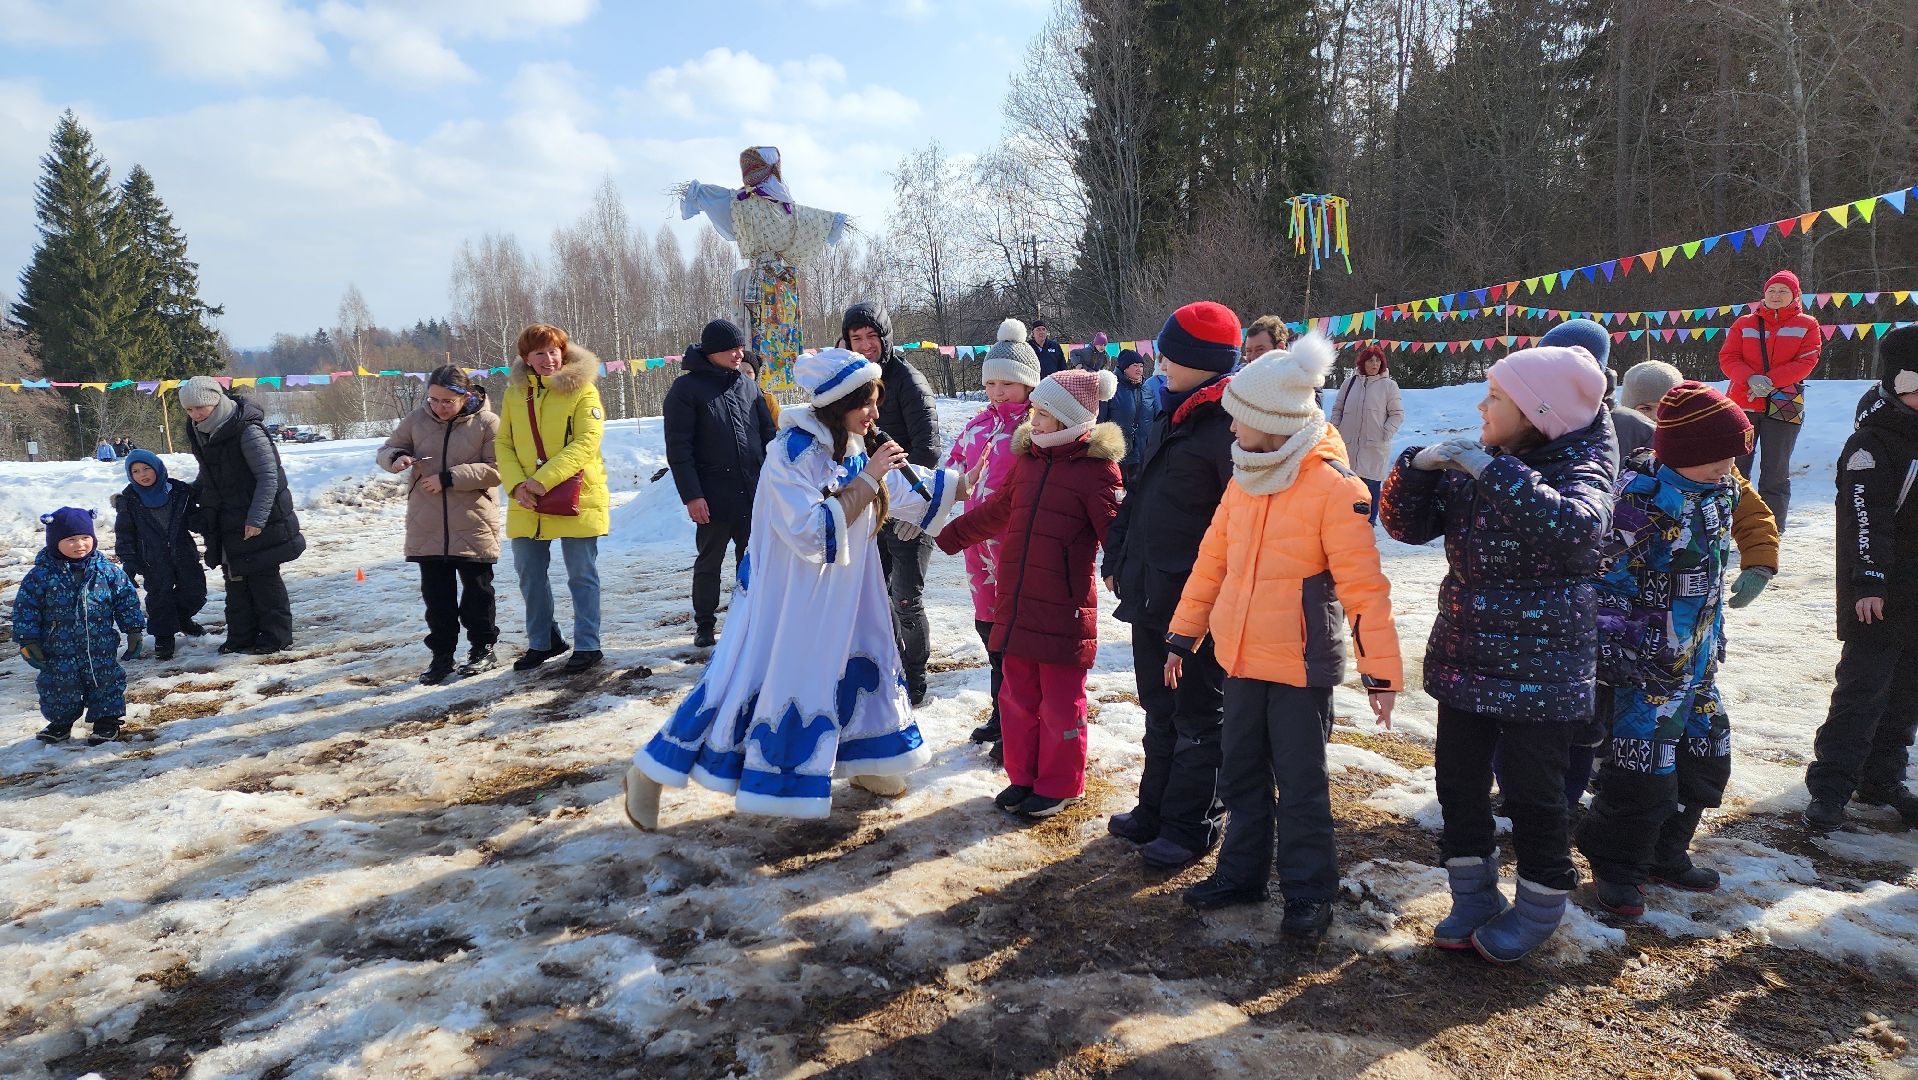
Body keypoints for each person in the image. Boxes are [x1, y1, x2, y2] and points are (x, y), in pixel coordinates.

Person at [624, 348, 972, 828]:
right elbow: (810, 531)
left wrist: (963, 484)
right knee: (745, 682)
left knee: (856, 667)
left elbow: (900, 494)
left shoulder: (848, 444)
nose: (874, 414)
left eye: (876, 402)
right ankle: (652, 771)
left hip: (848, 595)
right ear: (836, 405)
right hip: (790, 600)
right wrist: (871, 477)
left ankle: (866, 762)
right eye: (865, 404)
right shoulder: (792, 454)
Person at [1382, 344, 1614, 964]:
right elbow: (1405, 525)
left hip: (1543, 672)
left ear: (1537, 412)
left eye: (1495, 397)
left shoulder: (1582, 467)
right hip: (1467, 657)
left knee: (1535, 793)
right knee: (1457, 782)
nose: (1481, 406)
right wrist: (1420, 467)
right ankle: (1472, 895)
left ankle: (1539, 906)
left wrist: (1489, 471)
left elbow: (1576, 532)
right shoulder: (1490, 457)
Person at [1166, 335, 1403, 940]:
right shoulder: (1245, 477)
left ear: (1272, 421)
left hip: (1301, 668)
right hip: (1240, 659)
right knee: (1239, 772)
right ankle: (1241, 874)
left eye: (1240, 421)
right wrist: (1183, 634)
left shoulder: (1334, 487)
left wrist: (1380, 671)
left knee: (1301, 785)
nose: (1231, 432)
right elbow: (1211, 562)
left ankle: (1308, 891)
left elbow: (1364, 588)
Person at [1577, 382, 1751, 917]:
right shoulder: (1641, 499)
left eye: (1732, 456)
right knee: (1641, 772)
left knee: (1706, 754)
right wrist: (1614, 649)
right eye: (1717, 456)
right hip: (1646, 667)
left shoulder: (1719, 491)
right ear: (1684, 451)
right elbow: (1605, 579)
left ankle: (1665, 853)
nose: (1728, 465)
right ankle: (1617, 868)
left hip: (1696, 660)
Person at [939, 368, 1123, 818]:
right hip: (1017, 600)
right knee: (1017, 695)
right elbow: (999, 510)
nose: (1032, 421)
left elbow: (1118, 535)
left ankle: (1061, 783)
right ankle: (1024, 777)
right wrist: (951, 535)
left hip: (1063, 607)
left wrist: (1128, 579)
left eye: (1042, 413)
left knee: (1061, 702)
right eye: (1035, 411)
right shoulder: (1029, 460)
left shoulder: (1096, 471)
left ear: (1069, 419)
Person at [1102, 300, 1241, 869]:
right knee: (1158, 708)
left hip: (1196, 604)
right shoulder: (1171, 412)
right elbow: (1140, 494)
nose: (1157, 363)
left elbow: (1236, 527)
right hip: (1151, 593)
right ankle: (1154, 808)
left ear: (1200, 363)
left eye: (1169, 355)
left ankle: (1192, 826)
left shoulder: (1228, 428)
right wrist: (1118, 553)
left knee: (1198, 718)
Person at [1805, 325, 1918, 829]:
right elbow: (1863, 519)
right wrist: (1868, 581)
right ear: (1895, 383)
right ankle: (1830, 787)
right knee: (1863, 689)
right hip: (1877, 591)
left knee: (1905, 694)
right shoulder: (1872, 444)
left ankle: (1882, 779)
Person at [839, 301, 940, 705]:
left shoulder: (909, 381)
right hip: (867, 506)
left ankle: (915, 677)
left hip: (907, 508)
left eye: (871, 338)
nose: (865, 346)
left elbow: (928, 449)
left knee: (905, 599)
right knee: (873, 596)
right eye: (856, 338)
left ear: (885, 338)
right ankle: (887, 666)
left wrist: (914, 507)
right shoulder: (848, 382)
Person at [944, 319, 1039, 746]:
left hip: (1013, 542)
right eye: (992, 383)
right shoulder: (977, 424)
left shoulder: (1035, 428)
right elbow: (953, 466)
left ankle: (1018, 720)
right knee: (988, 626)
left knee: (1014, 631)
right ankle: (1001, 713)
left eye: (1008, 383)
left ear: (1028, 384)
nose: (999, 392)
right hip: (974, 543)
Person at [377, 366, 503, 684]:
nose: (439, 407)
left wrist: (450, 478)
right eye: (433, 399)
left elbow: (497, 469)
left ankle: (483, 649)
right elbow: (386, 450)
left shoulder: (488, 423)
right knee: (436, 598)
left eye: (447, 400)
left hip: (474, 521)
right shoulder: (416, 421)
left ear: (466, 396)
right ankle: (442, 655)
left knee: (477, 593)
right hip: (427, 523)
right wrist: (398, 457)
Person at [1618, 359, 1778, 610]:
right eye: (1646, 409)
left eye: (1667, 410)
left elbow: (1752, 514)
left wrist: (1760, 562)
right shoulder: (1617, 460)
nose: (1657, 419)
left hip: (1699, 613)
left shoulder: (1715, 466)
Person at [498, 323, 610, 675]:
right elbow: (504, 443)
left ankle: (588, 645)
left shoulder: (583, 390)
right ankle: (543, 641)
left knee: (581, 574)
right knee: (530, 573)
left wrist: (539, 482)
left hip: (577, 495)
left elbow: (585, 443)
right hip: (527, 499)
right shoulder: (515, 393)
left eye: (553, 351)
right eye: (539, 353)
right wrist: (517, 486)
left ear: (563, 351)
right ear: (526, 359)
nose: (548, 359)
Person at [665, 319, 778, 649]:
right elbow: (679, 450)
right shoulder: (685, 391)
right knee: (709, 561)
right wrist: (692, 495)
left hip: (753, 492)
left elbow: (768, 437)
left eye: (741, 347)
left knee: (754, 559)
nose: (739, 353)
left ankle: (752, 618)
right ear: (712, 351)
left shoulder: (748, 386)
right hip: (712, 497)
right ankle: (705, 623)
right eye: (732, 348)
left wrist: (774, 481)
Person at [179, 376, 306, 656]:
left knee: (263, 579)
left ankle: (276, 637)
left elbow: (268, 477)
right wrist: (188, 492)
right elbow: (211, 472)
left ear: (216, 400)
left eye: (201, 407)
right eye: (189, 410)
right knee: (235, 577)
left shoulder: (246, 430)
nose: (195, 414)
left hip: (259, 517)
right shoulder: (202, 431)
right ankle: (241, 636)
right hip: (228, 517)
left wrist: (256, 519)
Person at [14, 508, 145, 745]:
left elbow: (126, 600)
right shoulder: (40, 576)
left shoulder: (107, 572)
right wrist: (27, 640)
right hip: (58, 648)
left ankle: (107, 721)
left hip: (99, 645)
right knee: (58, 687)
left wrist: (134, 629)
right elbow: (26, 609)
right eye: (71, 540)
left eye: (85, 538)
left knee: (105, 682)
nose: (80, 545)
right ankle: (60, 723)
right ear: (55, 542)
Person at [1718, 269, 1822, 530]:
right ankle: (1731, 523)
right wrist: (1750, 379)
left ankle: (1771, 527)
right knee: (1735, 468)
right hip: (1742, 402)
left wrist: (1770, 381)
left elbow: (1807, 361)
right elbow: (1728, 357)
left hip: (1784, 405)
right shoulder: (1744, 323)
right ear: (1764, 294)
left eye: (1783, 291)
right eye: (1771, 290)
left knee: (1776, 471)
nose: (1776, 295)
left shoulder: (1808, 324)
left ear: (1795, 295)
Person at [113, 449, 208, 661]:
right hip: (152, 559)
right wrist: (128, 561)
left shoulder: (178, 491)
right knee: (159, 598)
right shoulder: (129, 500)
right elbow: (124, 533)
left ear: (157, 468)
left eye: (147, 468)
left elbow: (194, 518)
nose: (142, 474)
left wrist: (210, 526)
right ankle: (164, 636)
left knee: (195, 592)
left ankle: (182, 618)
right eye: (136, 471)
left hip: (183, 553)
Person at [1328, 343, 1404, 523]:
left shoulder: (1389, 386)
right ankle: (1345, 528)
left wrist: (1385, 432)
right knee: (1346, 490)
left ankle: (1367, 528)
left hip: (1373, 448)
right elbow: (1337, 409)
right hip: (1347, 447)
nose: (1374, 364)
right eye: (1370, 361)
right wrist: (1336, 430)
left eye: (1378, 360)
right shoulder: (1349, 383)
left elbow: (1397, 414)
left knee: (1370, 490)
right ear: (1363, 363)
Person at [1099, 349, 1158, 486]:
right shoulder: (1111, 388)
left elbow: (1156, 417)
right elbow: (1100, 421)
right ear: (1125, 368)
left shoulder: (1147, 388)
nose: (1139, 369)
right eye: (1135, 365)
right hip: (1117, 453)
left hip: (1143, 451)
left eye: (1141, 366)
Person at [742, 350, 782, 427]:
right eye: (739, 372)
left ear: (755, 375)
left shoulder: (767, 399)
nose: (744, 377)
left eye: (749, 373)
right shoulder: (727, 399)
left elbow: (781, 428)